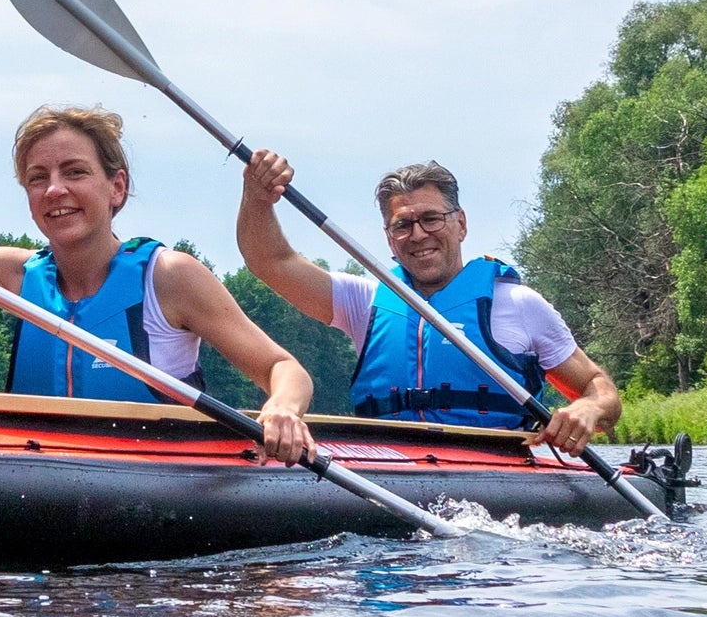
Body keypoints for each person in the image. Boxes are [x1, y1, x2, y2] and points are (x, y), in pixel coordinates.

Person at [0, 105, 316, 464]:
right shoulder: (13, 274)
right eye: (37, 177)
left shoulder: (170, 277)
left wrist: (282, 408)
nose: (55, 190)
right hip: (39, 475)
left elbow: (282, 367)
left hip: (150, 476)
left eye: (75, 172)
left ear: (116, 187)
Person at [236, 153, 621, 455]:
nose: (418, 235)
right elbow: (270, 261)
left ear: (461, 224)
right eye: (402, 225)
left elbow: (599, 389)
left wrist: (588, 409)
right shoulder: (364, 302)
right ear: (389, 238)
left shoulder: (519, 305)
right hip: (391, 465)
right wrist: (258, 198)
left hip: (495, 468)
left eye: (432, 219)